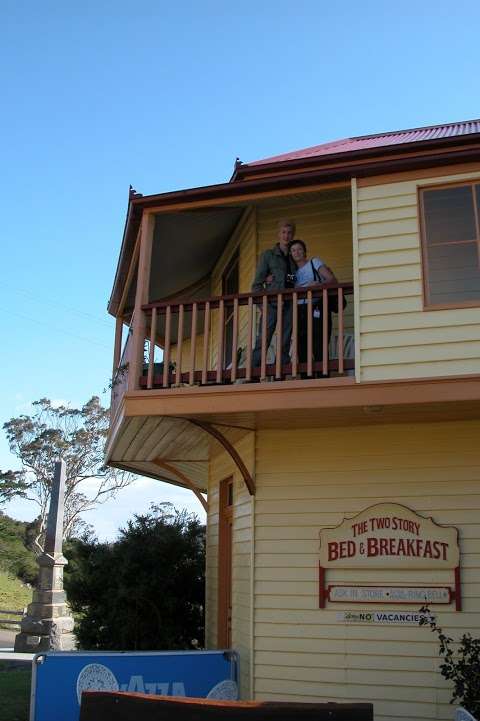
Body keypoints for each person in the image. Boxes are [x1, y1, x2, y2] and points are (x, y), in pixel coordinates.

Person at [251, 219, 297, 369]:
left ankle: (281, 368)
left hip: (289, 303)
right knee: (264, 338)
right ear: (278, 234)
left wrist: (277, 278)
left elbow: (294, 279)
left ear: (293, 235)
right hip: (271, 304)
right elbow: (256, 285)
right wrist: (262, 306)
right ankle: (254, 369)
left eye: (289, 233)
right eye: (283, 232)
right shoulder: (268, 255)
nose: (286, 235)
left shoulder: (293, 258)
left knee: (285, 338)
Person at [289, 239, 337, 368]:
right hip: (300, 311)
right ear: (290, 254)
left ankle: (323, 378)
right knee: (302, 347)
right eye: (293, 250)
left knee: (319, 345)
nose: (296, 252)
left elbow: (331, 280)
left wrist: (318, 285)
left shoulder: (314, 263)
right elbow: (287, 288)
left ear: (304, 251)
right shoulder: (291, 273)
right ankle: (307, 380)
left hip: (317, 308)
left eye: (299, 249)